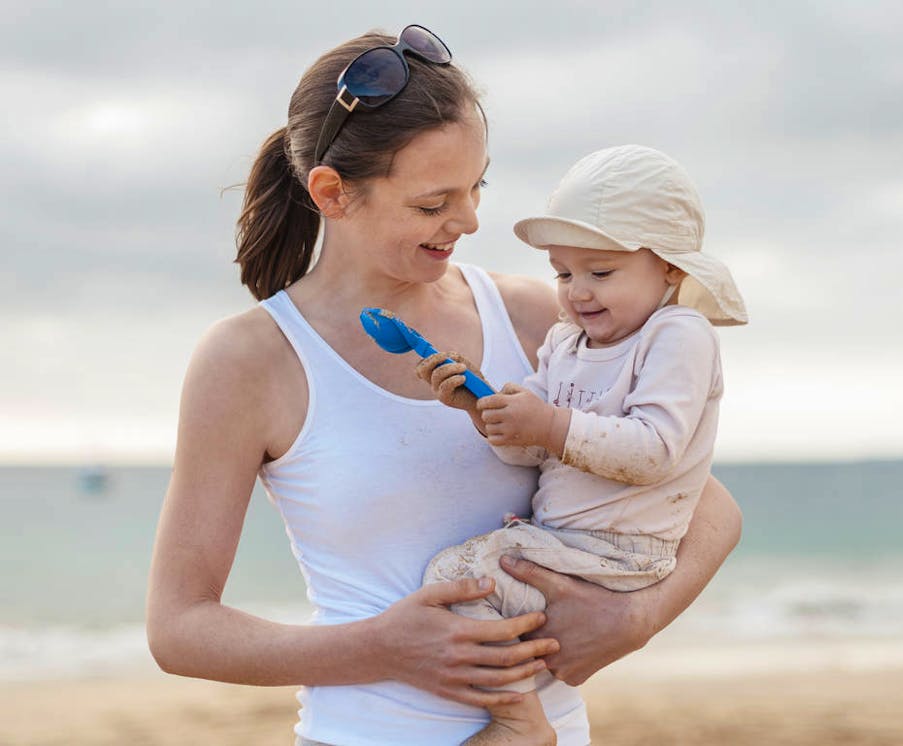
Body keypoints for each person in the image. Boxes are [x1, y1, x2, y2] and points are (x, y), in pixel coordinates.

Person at [145, 24, 743, 746]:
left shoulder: (540, 318)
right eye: (433, 204)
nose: (469, 220)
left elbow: (704, 501)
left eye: (476, 187)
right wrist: (382, 646)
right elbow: (180, 629)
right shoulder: (250, 360)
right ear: (332, 193)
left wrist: (636, 619)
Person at [416, 144, 747, 743]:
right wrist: (480, 407)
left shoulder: (677, 335)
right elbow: (528, 450)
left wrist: (549, 425)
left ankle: (520, 721)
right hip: (566, 542)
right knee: (463, 584)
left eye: (601, 272)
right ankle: (524, 700)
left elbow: (653, 452)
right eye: (564, 273)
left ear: (669, 268)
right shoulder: (566, 344)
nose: (578, 292)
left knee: (456, 574)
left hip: (622, 551)